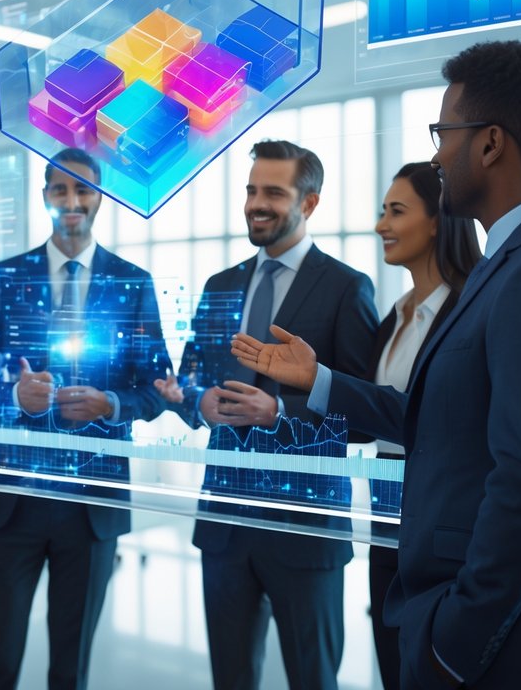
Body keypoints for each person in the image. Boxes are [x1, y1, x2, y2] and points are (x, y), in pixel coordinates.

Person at [232, 40, 521, 689]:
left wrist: (457, 640)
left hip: (503, 641)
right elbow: (443, 421)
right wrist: (318, 381)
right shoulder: (513, 265)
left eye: (444, 132)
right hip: (477, 620)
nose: (437, 153)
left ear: (490, 143)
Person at [154, 139, 378, 690]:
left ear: (310, 203)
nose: (257, 203)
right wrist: (199, 401)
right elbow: (190, 380)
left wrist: (279, 411)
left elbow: (368, 413)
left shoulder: (346, 289)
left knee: (312, 678)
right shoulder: (221, 285)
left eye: (273, 193)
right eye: (252, 190)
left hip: (305, 529)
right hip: (226, 524)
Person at [0, 147, 172, 690]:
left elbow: (156, 387)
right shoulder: (7, 278)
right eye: (61, 190)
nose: (72, 201)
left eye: (83, 190)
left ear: (100, 197)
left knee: (70, 669)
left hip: (91, 504)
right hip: (14, 504)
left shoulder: (133, 281)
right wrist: (13, 396)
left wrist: (112, 404)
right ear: (45, 197)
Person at [363, 161, 481, 690]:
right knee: (394, 670)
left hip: (446, 532)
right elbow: (373, 414)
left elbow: (437, 420)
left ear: (437, 221)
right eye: (382, 211)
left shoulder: (470, 308)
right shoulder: (394, 315)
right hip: (387, 525)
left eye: (396, 211)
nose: (381, 224)